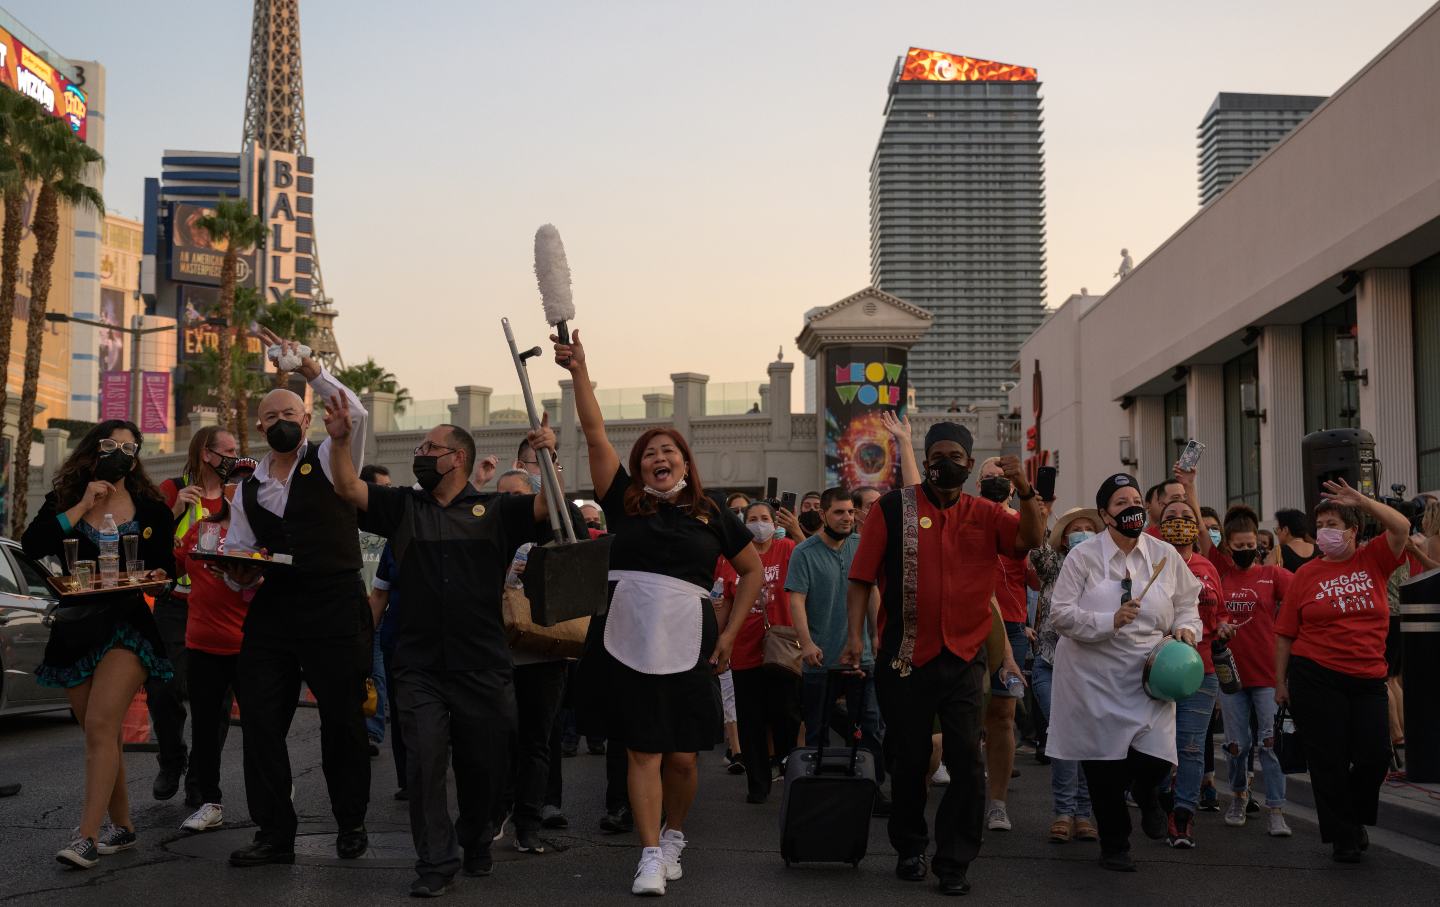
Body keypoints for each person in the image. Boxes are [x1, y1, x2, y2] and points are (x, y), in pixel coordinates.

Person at [555, 329, 763, 897]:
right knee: (642, 749)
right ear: (639, 467)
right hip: (627, 634)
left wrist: (729, 632)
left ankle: (674, 835)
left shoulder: (712, 512)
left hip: (690, 636)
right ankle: (649, 855)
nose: (659, 458)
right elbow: (595, 432)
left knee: (684, 758)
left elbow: (752, 572)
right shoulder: (623, 502)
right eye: (650, 453)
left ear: (686, 463)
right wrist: (579, 371)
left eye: (669, 451)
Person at [328, 399, 559, 897]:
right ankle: (435, 861)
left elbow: (547, 508)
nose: (420, 454)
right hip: (419, 665)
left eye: (430, 447)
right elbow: (347, 486)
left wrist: (547, 458)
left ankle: (476, 838)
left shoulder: (496, 510)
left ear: (457, 458)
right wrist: (341, 439)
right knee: (424, 763)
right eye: (420, 447)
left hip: (483, 665)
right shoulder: (403, 507)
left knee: (484, 765)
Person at [844, 423, 1043, 896]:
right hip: (904, 657)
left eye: (955, 455)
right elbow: (861, 578)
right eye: (937, 454)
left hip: (964, 656)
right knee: (909, 759)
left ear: (970, 464)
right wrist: (855, 638)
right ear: (926, 459)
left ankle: (954, 861)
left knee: (966, 764)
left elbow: (1029, 540)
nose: (945, 462)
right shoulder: (894, 508)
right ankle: (910, 847)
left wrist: (1027, 490)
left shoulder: (987, 512)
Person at [219, 333, 372, 868]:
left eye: (291, 411)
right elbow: (241, 557)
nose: (282, 419)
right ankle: (273, 834)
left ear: (306, 420)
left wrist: (308, 367)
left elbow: (352, 410)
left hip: (333, 604)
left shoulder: (333, 457)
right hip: (275, 610)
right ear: (259, 427)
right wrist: (237, 572)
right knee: (260, 720)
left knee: (342, 721)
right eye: (271, 414)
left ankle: (350, 822)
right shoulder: (248, 487)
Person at [23, 420, 177, 868]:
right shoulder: (69, 496)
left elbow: (167, 568)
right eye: (111, 444)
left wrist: (156, 577)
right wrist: (83, 503)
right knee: (100, 732)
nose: (121, 453)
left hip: (127, 623)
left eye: (131, 447)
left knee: (103, 722)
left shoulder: (151, 507)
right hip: (76, 626)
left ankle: (86, 836)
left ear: (137, 457)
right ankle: (124, 827)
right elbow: (33, 545)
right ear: (94, 450)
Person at [1045, 473, 1202, 873]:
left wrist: (1188, 629)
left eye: (1135, 499)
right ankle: (1115, 846)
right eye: (1120, 503)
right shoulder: (1082, 558)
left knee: (1155, 761)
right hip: (1092, 679)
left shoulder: (1165, 555)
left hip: (1148, 677)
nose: (1130, 507)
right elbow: (1060, 615)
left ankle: (1148, 795)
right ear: (1104, 515)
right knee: (1103, 769)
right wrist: (1107, 620)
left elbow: (1188, 602)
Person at [1276, 479, 1410, 862]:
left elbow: (1400, 527)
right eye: (1322, 525)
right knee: (1329, 759)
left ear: (1353, 531)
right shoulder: (1306, 575)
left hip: (1368, 676)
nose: (1326, 532)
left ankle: (1352, 817)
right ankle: (1343, 837)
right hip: (1315, 675)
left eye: (1334, 524)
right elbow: (1285, 633)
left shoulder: (1374, 559)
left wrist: (1362, 501)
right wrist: (1279, 683)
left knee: (1374, 755)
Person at [168, 427, 248, 834]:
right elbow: (173, 561)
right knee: (201, 719)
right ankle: (206, 797)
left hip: (248, 641)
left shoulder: (252, 532)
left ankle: (271, 790)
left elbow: (266, 573)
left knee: (255, 722)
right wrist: (180, 515)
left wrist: (244, 575)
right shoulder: (195, 521)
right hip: (199, 636)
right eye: (228, 452)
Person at [787, 487, 886, 800]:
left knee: (868, 728)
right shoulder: (804, 552)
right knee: (818, 731)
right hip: (820, 658)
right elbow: (796, 601)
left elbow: (871, 592)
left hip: (862, 658)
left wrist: (875, 634)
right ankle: (821, 791)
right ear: (823, 515)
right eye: (839, 512)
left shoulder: (863, 545)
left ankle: (873, 789)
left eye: (850, 512)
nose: (847, 518)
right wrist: (806, 643)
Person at [1207, 504, 1294, 837]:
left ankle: (1276, 808)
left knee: (1270, 745)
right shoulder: (1220, 573)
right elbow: (1203, 534)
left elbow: (1305, 593)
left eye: (1251, 545)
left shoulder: (1273, 576)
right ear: (1227, 545)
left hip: (1268, 677)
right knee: (1236, 745)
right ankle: (1239, 796)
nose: (1246, 550)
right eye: (1239, 546)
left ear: (1259, 543)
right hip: (1231, 677)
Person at [1152, 475, 1228, 850]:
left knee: (1192, 747)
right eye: (1172, 513)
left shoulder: (1208, 566)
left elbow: (1220, 613)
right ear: (1159, 524)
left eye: (1187, 513)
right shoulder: (1150, 563)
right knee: (1154, 745)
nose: (1180, 518)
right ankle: (1158, 797)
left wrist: (1224, 626)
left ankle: (1182, 814)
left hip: (1202, 672)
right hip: (1156, 672)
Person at [716, 501, 800, 804]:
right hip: (745, 648)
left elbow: (811, 562)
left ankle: (790, 771)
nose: (759, 523)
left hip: (782, 648)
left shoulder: (788, 548)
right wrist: (720, 639)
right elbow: (724, 600)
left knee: (786, 715)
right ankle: (758, 783)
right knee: (750, 719)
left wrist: (796, 530)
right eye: (753, 518)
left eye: (765, 518)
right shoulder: (731, 558)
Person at [1028, 507, 1099, 845]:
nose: (1083, 533)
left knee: (1086, 740)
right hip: (1050, 664)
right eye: (1076, 529)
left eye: (1089, 528)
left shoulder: (1105, 570)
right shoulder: (1054, 564)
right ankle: (1063, 811)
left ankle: (1083, 813)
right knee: (1062, 735)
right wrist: (1038, 508)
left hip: (1091, 669)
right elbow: (1035, 549)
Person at [976, 456, 1028, 832]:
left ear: (1013, 485)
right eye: (988, 478)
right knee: (965, 714)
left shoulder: (1021, 524)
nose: (995, 483)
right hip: (968, 623)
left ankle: (997, 802)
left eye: (1001, 478)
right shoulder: (967, 516)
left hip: (1010, 627)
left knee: (1003, 716)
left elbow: (1038, 580)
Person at [358, 464, 392, 758]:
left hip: (379, 611)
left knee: (376, 672)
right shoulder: (347, 518)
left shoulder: (388, 521)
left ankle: (372, 731)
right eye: (383, 486)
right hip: (349, 611)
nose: (388, 492)